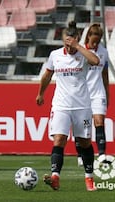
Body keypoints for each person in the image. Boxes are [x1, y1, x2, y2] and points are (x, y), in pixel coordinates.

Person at [36, 21, 100, 191]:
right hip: (60, 105)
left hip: (82, 106)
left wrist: (78, 47)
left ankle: (89, 179)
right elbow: (47, 75)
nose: (69, 47)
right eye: (66, 43)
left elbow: (95, 61)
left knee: (84, 142)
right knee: (59, 140)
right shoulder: (55, 55)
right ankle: (55, 177)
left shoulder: (84, 54)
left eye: (72, 43)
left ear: (77, 40)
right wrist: (41, 93)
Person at [75, 23, 109, 166]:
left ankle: (101, 155)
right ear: (88, 36)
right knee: (82, 126)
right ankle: (80, 155)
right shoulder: (79, 51)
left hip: (98, 92)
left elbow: (105, 75)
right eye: (93, 40)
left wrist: (107, 94)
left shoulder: (104, 52)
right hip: (82, 94)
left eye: (98, 40)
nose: (95, 43)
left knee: (99, 122)